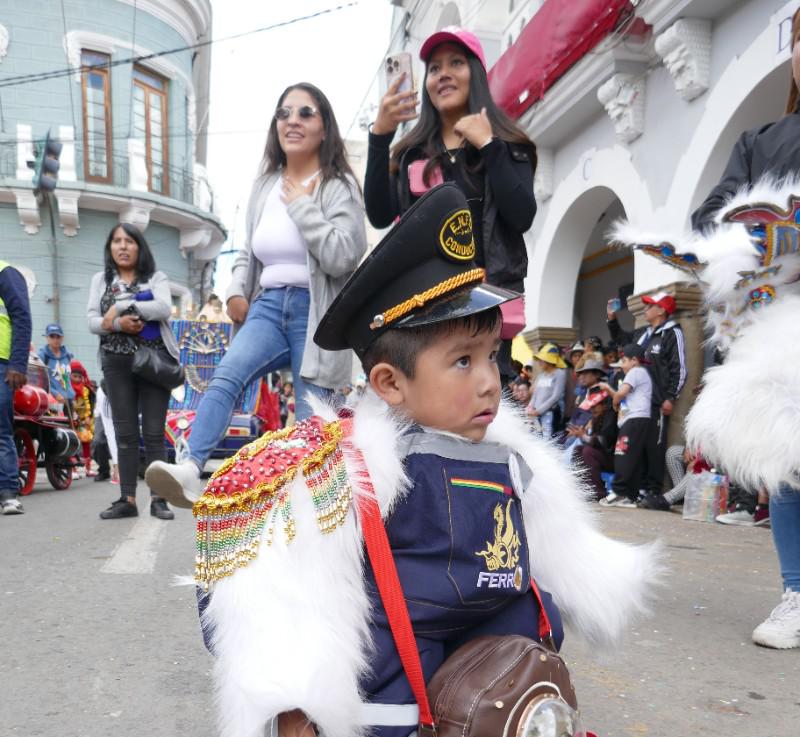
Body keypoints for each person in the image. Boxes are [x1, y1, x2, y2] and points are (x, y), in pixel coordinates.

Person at [191, 184, 658, 737]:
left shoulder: (512, 455)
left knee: (535, 619)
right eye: (462, 361)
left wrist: (584, 588)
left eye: (491, 355)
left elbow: (559, 544)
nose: (492, 380)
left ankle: (490, 724)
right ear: (389, 383)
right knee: (377, 728)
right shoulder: (354, 467)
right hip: (405, 642)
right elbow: (275, 582)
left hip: (488, 627)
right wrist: (285, 696)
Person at [146, 81, 366, 509]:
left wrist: (304, 206)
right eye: (284, 113)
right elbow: (249, 251)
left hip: (315, 312)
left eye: (305, 113)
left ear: (325, 128)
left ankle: (315, 510)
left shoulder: (338, 186)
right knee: (226, 376)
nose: (292, 121)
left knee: (311, 417)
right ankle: (190, 469)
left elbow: (344, 256)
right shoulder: (265, 184)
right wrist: (234, 292)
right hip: (267, 307)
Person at [684, 4, 800, 648]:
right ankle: (798, 591)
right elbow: (709, 220)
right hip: (786, 319)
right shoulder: (763, 142)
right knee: (790, 453)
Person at [363, 26, 537, 383]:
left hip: (490, 303)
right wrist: (380, 137)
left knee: (484, 402)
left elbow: (521, 215)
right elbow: (379, 214)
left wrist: (489, 144)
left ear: (475, 73)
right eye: (434, 67)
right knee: (431, 402)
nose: (443, 74)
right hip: (428, 305)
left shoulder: (508, 144)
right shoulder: (411, 152)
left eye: (455, 63)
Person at [87, 222, 178, 520]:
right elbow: (93, 321)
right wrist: (117, 323)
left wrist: (125, 304)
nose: (122, 247)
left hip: (153, 361)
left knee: (153, 434)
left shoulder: (156, 277)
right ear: (110, 248)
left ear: (140, 247)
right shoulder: (101, 279)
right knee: (125, 433)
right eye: (116, 241)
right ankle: (127, 499)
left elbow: (164, 307)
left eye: (129, 241)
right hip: (116, 362)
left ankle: (158, 499)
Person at [606, 292, 686, 494]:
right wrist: (612, 319)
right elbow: (623, 341)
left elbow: (680, 367)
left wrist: (670, 397)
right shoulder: (643, 333)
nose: (645, 309)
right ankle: (638, 488)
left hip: (658, 402)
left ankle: (653, 488)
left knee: (654, 446)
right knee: (636, 446)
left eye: (650, 306)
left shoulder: (672, 332)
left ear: (661, 310)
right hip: (637, 402)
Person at [599, 344, 653, 508]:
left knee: (623, 453)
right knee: (632, 455)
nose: (622, 365)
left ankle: (620, 491)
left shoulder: (636, 371)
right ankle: (630, 494)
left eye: (624, 360)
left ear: (634, 361)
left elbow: (621, 394)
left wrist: (611, 394)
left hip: (635, 418)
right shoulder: (641, 373)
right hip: (638, 419)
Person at [0, 259, 32, 516]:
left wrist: (18, 364)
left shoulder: (6, 272)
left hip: (1, 364)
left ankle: (9, 493)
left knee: (0, 430)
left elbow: (22, 318)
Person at [574, 391, 618, 501]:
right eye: (591, 406)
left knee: (588, 451)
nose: (592, 409)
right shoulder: (596, 418)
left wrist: (584, 436)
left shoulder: (611, 416)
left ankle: (598, 492)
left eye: (595, 405)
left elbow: (604, 442)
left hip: (615, 459)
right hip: (602, 456)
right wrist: (583, 436)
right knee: (578, 449)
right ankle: (581, 488)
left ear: (604, 405)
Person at [526, 343, 567, 437]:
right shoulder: (541, 375)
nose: (539, 362)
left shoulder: (560, 374)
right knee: (536, 439)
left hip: (550, 413)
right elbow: (535, 394)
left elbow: (555, 396)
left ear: (549, 360)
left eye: (542, 360)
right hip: (535, 414)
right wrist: (530, 408)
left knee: (547, 440)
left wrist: (538, 411)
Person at [38, 323, 75, 413]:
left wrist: (71, 395)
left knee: (70, 427)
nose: (55, 340)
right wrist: (55, 394)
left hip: (68, 400)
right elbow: (40, 381)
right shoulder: (42, 356)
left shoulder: (68, 355)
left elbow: (67, 378)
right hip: (52, 401)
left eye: (58, 337)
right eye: (52, 336)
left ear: (62, 338)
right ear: (47, 337)